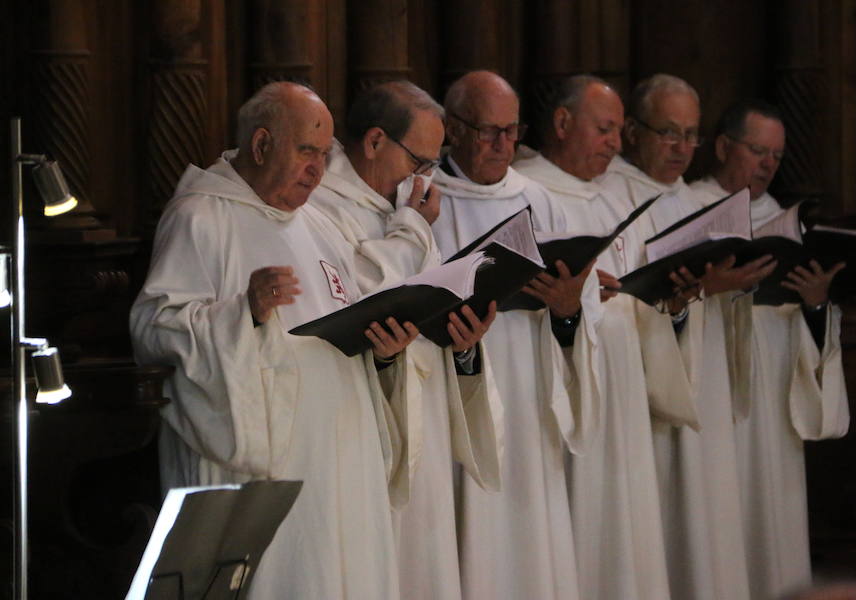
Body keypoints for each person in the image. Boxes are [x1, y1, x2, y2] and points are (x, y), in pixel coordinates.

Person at [130, 82, 420, 599]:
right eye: (306, 151)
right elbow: (154, 327)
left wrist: (383, 352)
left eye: (325, 155)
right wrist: (244, 313)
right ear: (261, 145)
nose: (318, 169)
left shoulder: (319, 223)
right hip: (269, 467)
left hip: (342, 457)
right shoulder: (201, 216)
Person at [308, 80, 502, 600]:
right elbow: (363, 296)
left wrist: (464, 341)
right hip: (369, 427)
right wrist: (412, 227)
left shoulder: (406, 208)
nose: (425, 180)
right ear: (374, 141)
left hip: (423, 426)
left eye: (432, 166)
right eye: (420, 162)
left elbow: (426, 300)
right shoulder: (318, 204)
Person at [594, 73, 775, 600]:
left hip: (704, 373)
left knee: (704, 519)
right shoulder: (610, 195)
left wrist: (720, 288)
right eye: (669, 133)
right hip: (649, 387)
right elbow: (617, 293)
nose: (681, 149)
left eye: (690, 135)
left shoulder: (698, 202)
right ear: (634, 132)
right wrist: (686, 296)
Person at [431, 70, 603, 600]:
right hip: (456, 399)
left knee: (532, 545)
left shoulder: (540, 199)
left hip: (531, 396)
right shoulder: (425, 201)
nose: (504, 144)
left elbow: (580, 307)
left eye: (512, 130)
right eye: (489, 131)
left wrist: (568, 308)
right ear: (452, 129)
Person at [514, 74, 671, 600]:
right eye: (604, 129)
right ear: (561, 123)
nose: (616, 144)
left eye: (619, 132)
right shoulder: (523, 190)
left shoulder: (621, 193)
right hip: (563, 382)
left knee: (625, 523)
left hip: (623, 385)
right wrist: (573, 301)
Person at [690, 99, 850, 600]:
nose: (767, 164)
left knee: (769, 526)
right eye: (758, 151)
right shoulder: (684, 207)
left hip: (774, 398)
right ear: (721, 147)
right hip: (707, 392)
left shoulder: (787, 223)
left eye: (776, 156)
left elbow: (814, 326)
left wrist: (816, 302)